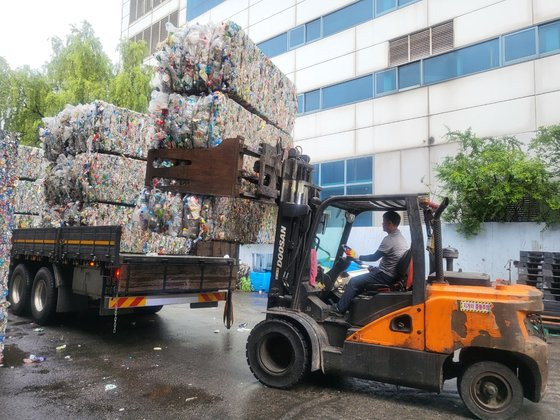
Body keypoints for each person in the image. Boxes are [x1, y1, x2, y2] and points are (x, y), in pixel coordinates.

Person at [331, 211, 409, 315]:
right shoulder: (400, 237)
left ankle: (339, 309)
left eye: (384, 222)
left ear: (390, 223)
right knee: (366, 270)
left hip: (385, 275)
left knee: (353, 282)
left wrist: (357, 256)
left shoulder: (390, 239)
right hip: (390, 273)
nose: (382, 224)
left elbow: (374, 257)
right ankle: (350, 305)